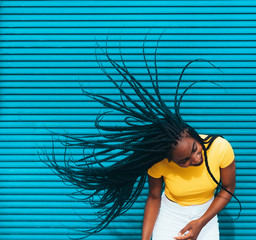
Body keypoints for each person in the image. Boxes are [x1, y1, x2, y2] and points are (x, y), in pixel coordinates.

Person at [39, 37, 240, 240]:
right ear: (168, 160)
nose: (195, 159)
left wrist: (201, 222)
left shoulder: (220, 148)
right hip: (171, 213)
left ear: (194, 134)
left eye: (195, 149)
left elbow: (228, 188)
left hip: (205, 214)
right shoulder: (157, 162)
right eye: (183, 161)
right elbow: (153, 197)